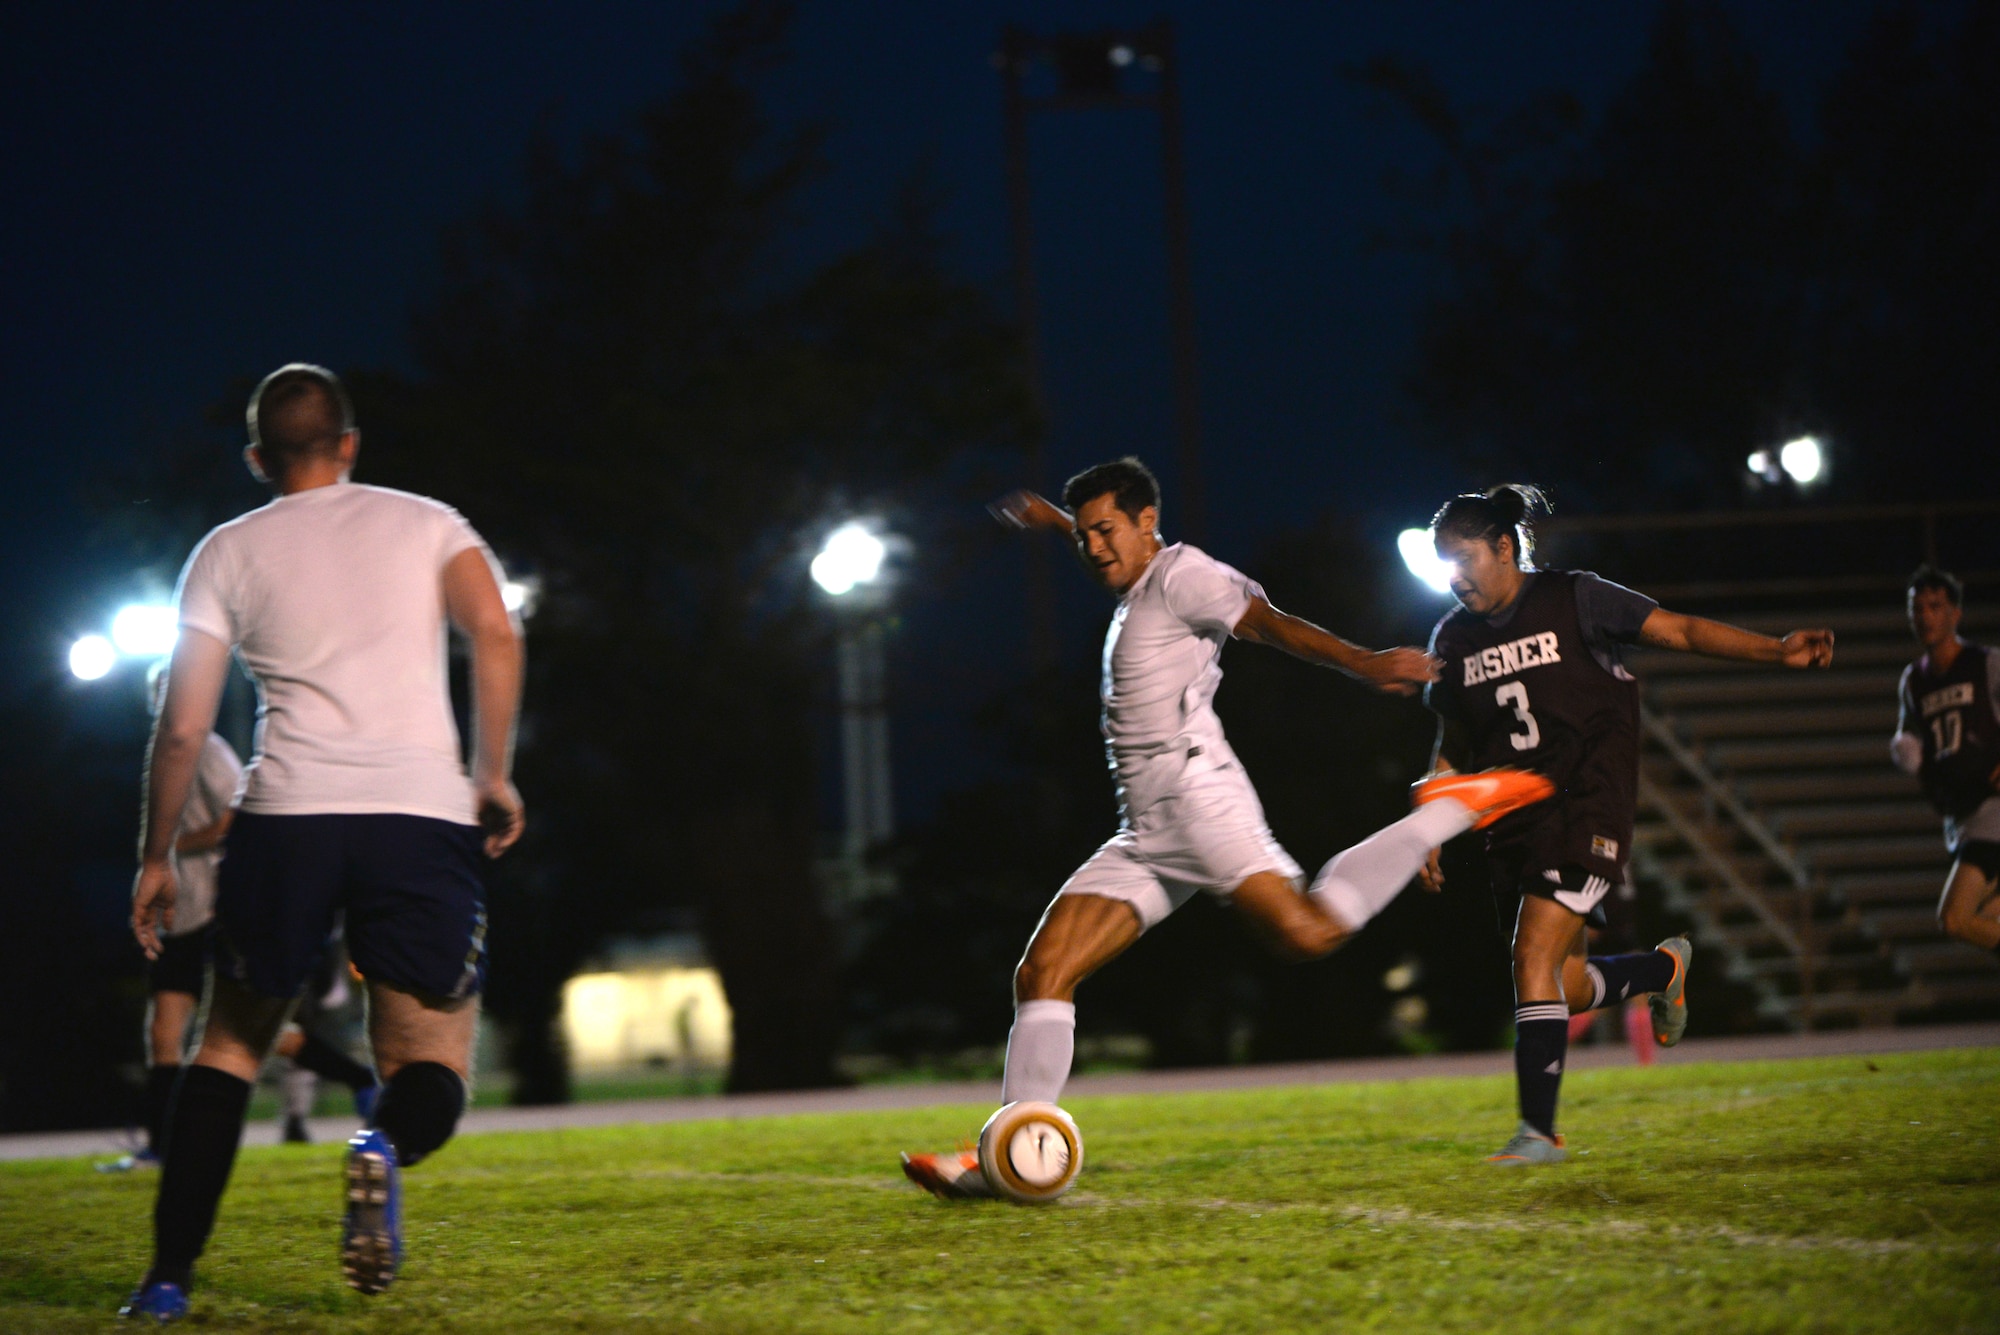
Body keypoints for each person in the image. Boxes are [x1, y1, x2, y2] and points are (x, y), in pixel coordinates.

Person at [900, 457, 1552, 1199]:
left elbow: (1270, 625)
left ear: (1150, 522)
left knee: (1307, 933)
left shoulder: (1184, 575)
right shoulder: (1133, 569)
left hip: (1199, 798)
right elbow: (1103, 546)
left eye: (1106, 530)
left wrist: (1365, 663)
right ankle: (1012, 1152)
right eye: (1084, 537)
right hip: (1144, 828)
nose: (1095, 548)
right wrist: (1058, 521)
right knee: (1042, 973)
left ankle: (1455, 805)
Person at [120, 364, 525, 1321]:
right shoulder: (429, 522)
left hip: (287, 819)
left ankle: (167, 1279)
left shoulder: (224, 551)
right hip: (418, 814)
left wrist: (154, 856)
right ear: (348, 443)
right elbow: (497, 634)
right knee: (427, 1056)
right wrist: (493, 771)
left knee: (227, 1048)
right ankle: (380, 1144)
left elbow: (182, 728)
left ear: (258, 458)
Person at [1418, 484, 1835, 1165]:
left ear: (1502, 546)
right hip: (1512, 825)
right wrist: (1430, 823)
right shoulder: (1452, 638)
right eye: (1444, 567)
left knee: (1531, 957)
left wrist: (1776, 649)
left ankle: (1538, 1132)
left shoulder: (1575, 596)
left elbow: (1681, 629)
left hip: (1588, 804)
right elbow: (1456, 744)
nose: (1455, 578)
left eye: (1464, 559)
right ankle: (1663, 966)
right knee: (1568, 981)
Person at [100, 673, 243, 1175]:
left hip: (212, 910)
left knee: (237, 1032)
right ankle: (160, 1147)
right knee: (163, 1031)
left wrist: (172, 849)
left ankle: (356, 1079)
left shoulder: (207, 748)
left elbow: (236, 817)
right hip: (179, 914)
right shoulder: (165, 751)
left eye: (173, 688)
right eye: (156, 691)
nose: (162, 700)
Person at [1891, 565, 2000, 954]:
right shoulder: (1913, 681)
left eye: (1935, 606)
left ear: (1956, 612)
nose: (1925, 616)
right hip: (1960, 817)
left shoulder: (1985, 663)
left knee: (1954, 919)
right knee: (1985, 920)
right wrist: (1907, 751)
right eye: (1917, 608)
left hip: (1992, 810)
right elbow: (1910, 738)